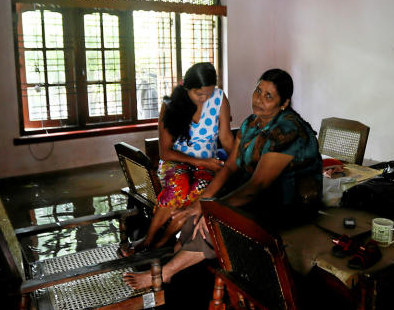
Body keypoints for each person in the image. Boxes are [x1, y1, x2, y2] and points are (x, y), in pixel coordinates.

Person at [124, 68, 322, 289]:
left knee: (215, 221)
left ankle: (165, 273)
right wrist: (202, 203)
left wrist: (213, 209)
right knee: (194, 210)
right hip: (258, 193)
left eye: (269, 96)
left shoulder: (287, 131)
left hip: (287, 203)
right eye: (258, 91)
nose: (258, 99)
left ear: (284, 103)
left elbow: (258, 185)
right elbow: (229, 166)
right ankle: (178, 252)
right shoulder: (252, 124)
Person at [131, 62, 233, 253]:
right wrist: (201, 162)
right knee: (179, 187)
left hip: (207, 166)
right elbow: (165, 152)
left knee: (197, 195)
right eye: (199, 94)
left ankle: (163, 241)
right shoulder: (171, 105)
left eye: (208, 94)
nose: (204, 99)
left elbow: (226, 138)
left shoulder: (219, 99)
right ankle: (148, 239)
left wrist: (238, 162)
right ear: (186, 87)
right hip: (175, 162)